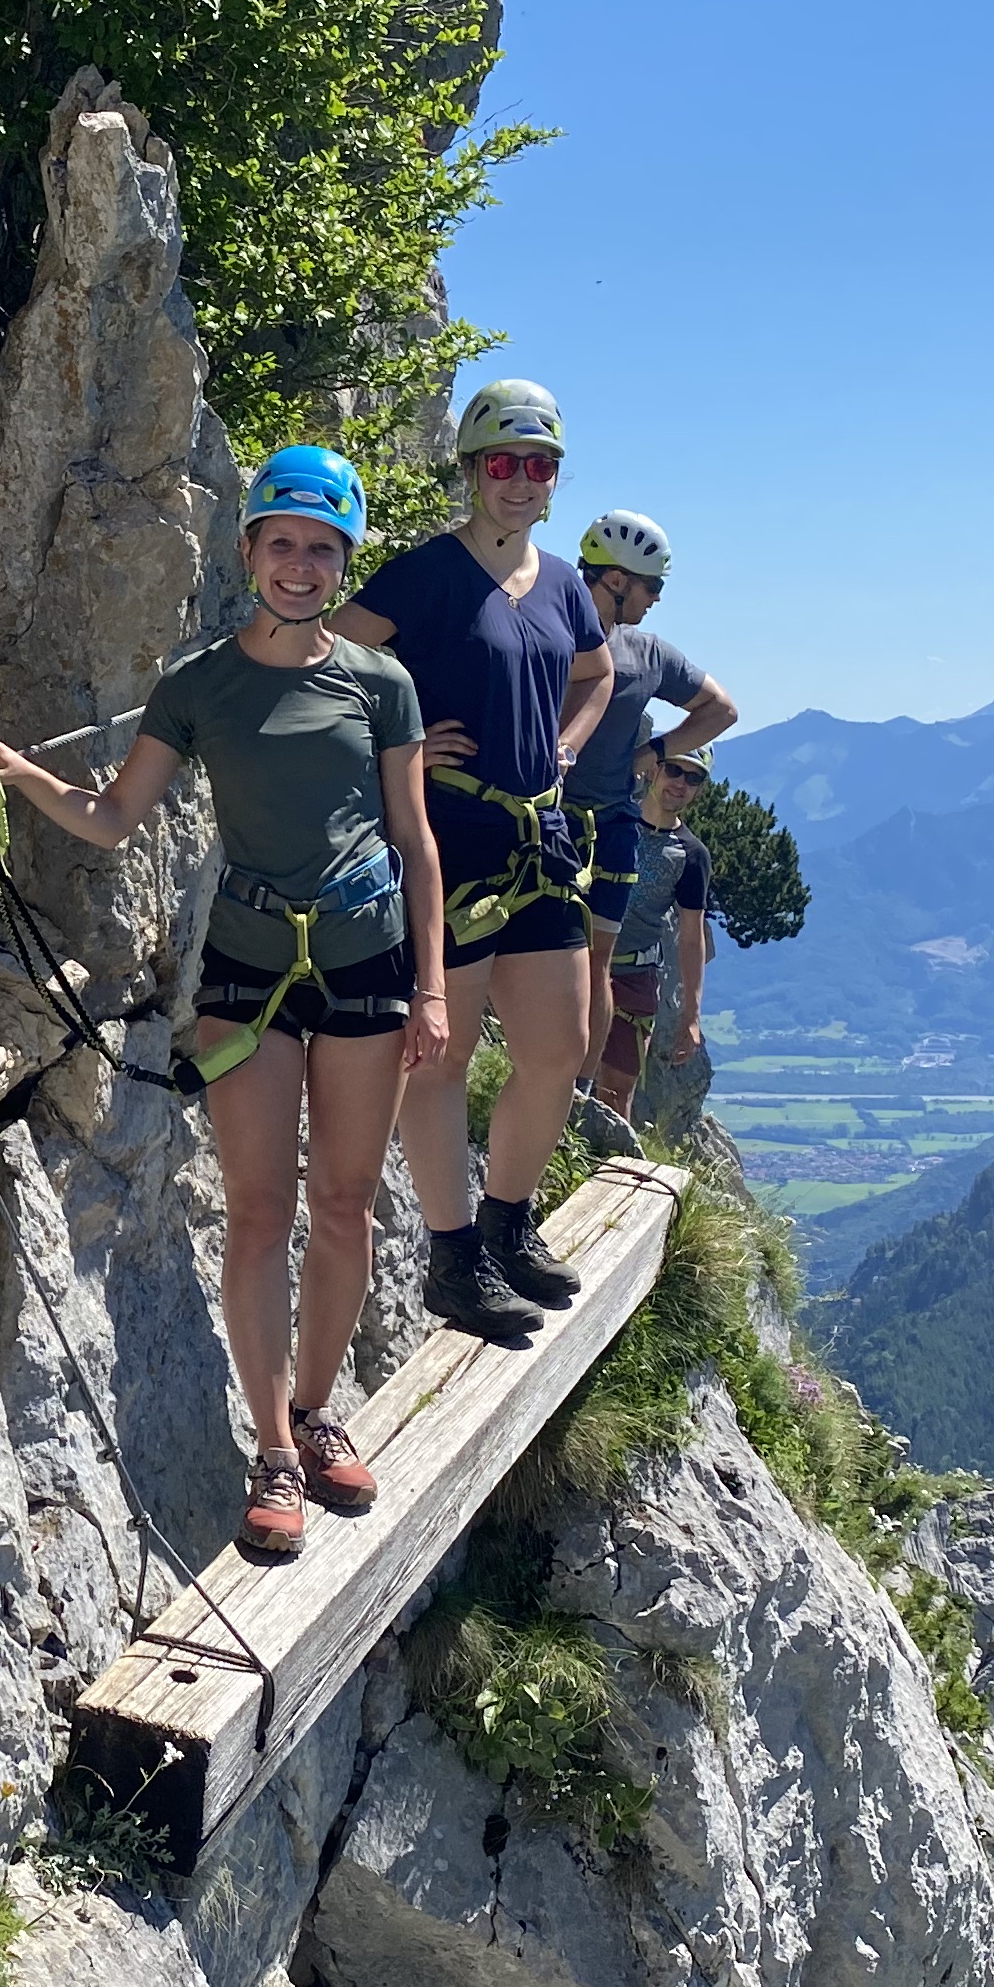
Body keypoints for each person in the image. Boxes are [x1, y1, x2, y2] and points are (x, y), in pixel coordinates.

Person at [0, 445, 449, 1558]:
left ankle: (319, 1416)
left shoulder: (382, 684)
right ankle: (274, 1454)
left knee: (347, 1204)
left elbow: (416, 844)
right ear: (249, 550)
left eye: (321, 548)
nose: (299, 564)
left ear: (341, 563)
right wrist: (18, 775)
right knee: (261, 1209)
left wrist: (430, 985)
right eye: (281, 541)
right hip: (247, 970)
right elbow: (114, 814)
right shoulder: (199, 685)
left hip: (370, 965)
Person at [326, 380, 610, 1344]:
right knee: (440, 1058)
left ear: (556, 479)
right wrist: (394, 746)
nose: (522, 482)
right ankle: (453, 1262)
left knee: (557, 1051)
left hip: (538, 841)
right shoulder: (428, 576)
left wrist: (567, 746)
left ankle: (507, 1225)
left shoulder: (566, 584)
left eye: (540, 466)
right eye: (504, 464)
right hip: (451, 839)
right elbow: (331, 659)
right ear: (472, 471)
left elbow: (596, 670)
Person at [558, 508, 734, 1158]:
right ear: (613, 578)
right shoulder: (621, 645)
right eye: (651, 585)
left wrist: (654, 754)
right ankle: (563, 1088)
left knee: (589, 967)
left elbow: (723, 708)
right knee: (583, 966)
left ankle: (571, 1094)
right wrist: (653, 755)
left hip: (566, 821)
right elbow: (720, 707)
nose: (657, 599)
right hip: (596, 825)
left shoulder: (554, 623)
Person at [594, 745, 718, 1139]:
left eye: (692, 777)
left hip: (636, 977)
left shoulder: (692, 855)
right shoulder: (611, 820)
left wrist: (692, 1017)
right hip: (582, 963)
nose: (680, 783)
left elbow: (691, 936)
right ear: (652, 771)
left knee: (617, 1092)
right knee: (557, 1071)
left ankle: (607, 1172)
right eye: (674, 770)